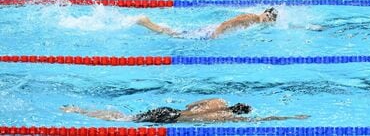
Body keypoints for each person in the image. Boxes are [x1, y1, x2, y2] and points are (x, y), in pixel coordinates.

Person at [61, 98, 308, 123]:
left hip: (171, 109)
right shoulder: (225, 117)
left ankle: (79, 110)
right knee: (125, 120)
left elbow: (191, 105)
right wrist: (289, 117)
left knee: (125, 117)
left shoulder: (218, 101)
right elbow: (260, 120)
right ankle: (79, 111)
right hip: (173, 119)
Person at [135, 7, 279, 39]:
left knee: (179, 34)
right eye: (268, 16)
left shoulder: (256, 22)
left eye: (271, 19)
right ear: (264, 12)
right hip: (212, 31)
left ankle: (150, 25)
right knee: (176, 35)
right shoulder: (251, 18)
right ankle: (146, 23)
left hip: (212, 30)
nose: (268, 20)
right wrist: (216, 34)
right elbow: (227, 23)